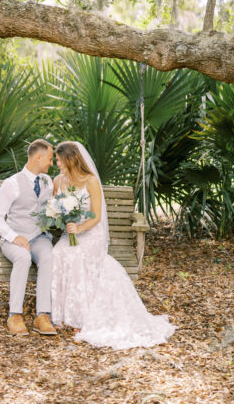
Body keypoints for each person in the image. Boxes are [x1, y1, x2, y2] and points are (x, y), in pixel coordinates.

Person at [51, 141, 176, 350]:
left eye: (59, 159)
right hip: (70, 231)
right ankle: (62, 313)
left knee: (78, 254)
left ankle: (80, 318)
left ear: (71, 159)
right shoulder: (58, 182)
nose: (57, 163)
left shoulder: (90, 181)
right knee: (57, 252)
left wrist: (79, 229)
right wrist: (61, 219)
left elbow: (96, 217)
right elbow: (55, 209)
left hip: (91, 233)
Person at [0, 139, 57, 337]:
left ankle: (42, 315)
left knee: (48, 256)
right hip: (14, 239)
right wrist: (14, 236)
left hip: (38, 237)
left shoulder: (47, 181)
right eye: (50, 159)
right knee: (23, 257)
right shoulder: (11, 184)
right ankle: (15, 315)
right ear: (38, 157)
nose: (51, 163)